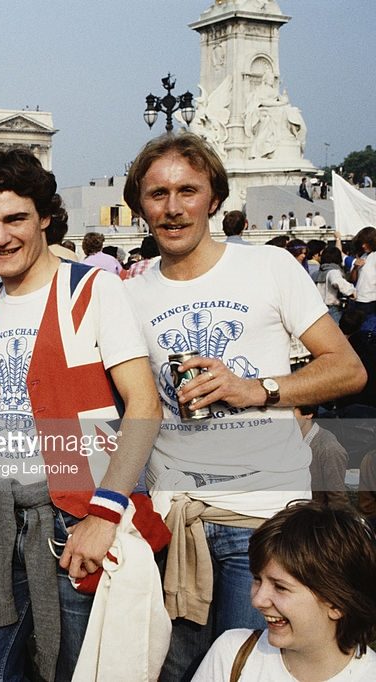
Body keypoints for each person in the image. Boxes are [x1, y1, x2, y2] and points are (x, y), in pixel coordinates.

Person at [122, 132, 365, 680]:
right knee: (172, 671)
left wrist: (257, 389)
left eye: (188, 189)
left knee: (252, 670)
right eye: (157, 193)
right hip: (172, 520)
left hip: (261, 519)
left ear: (214, 198)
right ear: (140, 205)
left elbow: (347, 368)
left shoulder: (269, 268)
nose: (173, 206)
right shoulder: (127, 294)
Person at [0, 147, 168, 682]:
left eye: (15, 219)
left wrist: (103, 515)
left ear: (45, 217)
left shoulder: (91, 289)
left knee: (83, 672)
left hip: (80, 515)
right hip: (0, 517)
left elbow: (144, 404)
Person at [191, 501, 376, 681]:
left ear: (337, 604)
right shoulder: (231, 654)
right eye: (257, 579)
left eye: (280, 587)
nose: (258, 601)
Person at [317, 245, 355, 324]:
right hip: (332, 308)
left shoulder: (318, 272)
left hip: (319, 308)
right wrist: (351, 291)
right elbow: (337, 281)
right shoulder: (333, 271)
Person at [348, 226, 376, 318]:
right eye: (362, 243)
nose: (363, 245)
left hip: (371, 301)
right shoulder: (363, 256)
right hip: (358, 300)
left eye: (367, 243)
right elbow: (352, 279)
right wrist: (355, 268)